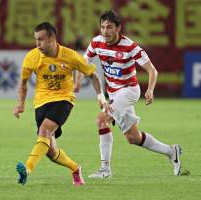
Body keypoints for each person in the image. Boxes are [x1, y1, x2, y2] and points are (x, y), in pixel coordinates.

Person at [74, 10, 182, 179]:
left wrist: (150, 89)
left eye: (109, 27)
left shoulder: (130, 47)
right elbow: (83, 62)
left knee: (101, 120)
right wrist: (78, 81)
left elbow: (152, 70)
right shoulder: (96, 43)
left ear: (118, 28)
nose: (105, 31)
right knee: (133, 137)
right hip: (114, 94)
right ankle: (171, 151)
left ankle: (105, 169)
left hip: (130, 91)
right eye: (102, 27)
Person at [13, 22, 107, 186]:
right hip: (41, 102)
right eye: (36, 40)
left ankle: (27, 170)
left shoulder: (70, 56)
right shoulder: (32, 57)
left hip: (63, 100)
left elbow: (93, 75)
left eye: (41, 40)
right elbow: (23, 83)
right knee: (50, 151)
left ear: (52, 38)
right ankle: (75, 168)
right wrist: (20, 104)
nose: (38, 44)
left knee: (44, 130)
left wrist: (100, 96)